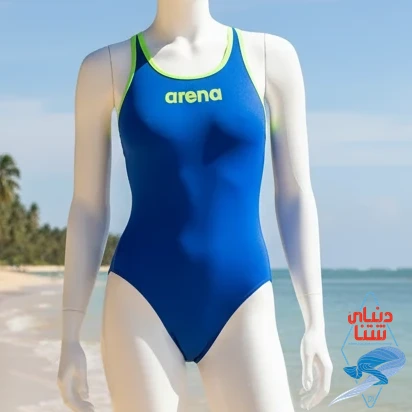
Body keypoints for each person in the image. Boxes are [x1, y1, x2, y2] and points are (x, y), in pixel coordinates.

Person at [57, 1, 333, 411]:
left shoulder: (268, 57)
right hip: (140, 300)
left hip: (242, 300)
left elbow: (295, 194)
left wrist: (315, 322)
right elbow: (87, 208)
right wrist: (70, 335)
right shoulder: (108, 68)